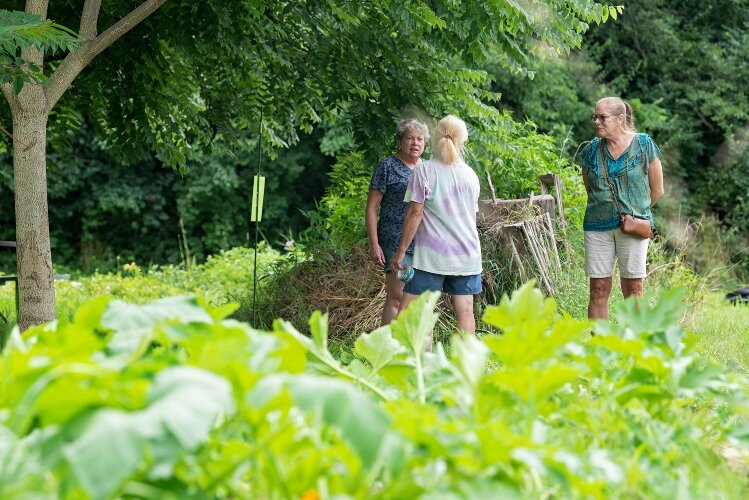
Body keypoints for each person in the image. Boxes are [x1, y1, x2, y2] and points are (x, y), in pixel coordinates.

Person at [391, 115, 482, 347]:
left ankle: (424, 364)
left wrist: (401, 252)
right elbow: (471, 217)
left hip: (431, 256)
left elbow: (414, 214)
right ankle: (466, 367)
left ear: (435, 138)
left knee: (417, 312)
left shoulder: (424, 171)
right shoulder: (471, 175)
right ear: (462, 141)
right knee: (465, 313)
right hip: (466, 254)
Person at [579, 97, 665, 319]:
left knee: (634, 290)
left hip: (633, 227)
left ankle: (634, 347)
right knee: (597, 289)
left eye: (602, 117)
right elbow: (591, 188)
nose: (597, 121)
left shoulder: (644, 144)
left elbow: (657, 190)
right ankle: (599, 348)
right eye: (595, 116)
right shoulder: (590, 150)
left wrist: (635, 212)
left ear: (620, 119)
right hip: (597, 227)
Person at [366, 118, 429, 325]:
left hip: (424, 241)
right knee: (397, 296)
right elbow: (372, 207)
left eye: (420, 139)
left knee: (416, 298)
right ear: (400, 141)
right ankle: (388, 348)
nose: (415, 143)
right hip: (394, 238)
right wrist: (374, 244)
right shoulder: (387, 166)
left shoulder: (428, 169)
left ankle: (410, 347)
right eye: (410, 138)